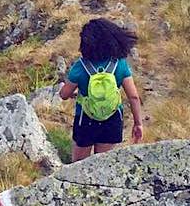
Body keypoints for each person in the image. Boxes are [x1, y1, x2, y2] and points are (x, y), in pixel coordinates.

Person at [59, 18, 144, 162]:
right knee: (101, 164)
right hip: (112, 119)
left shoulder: (80, 67)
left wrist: (68, 89)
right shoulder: (120, 64)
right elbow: (134, 97)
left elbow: (64, 95)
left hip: (85, 120)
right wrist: (138, 123)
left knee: (78, 167)